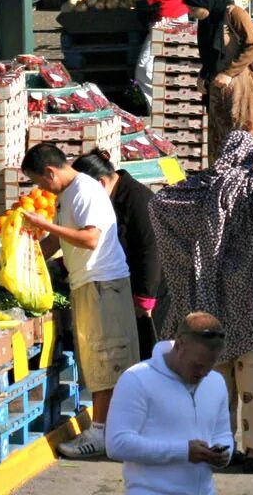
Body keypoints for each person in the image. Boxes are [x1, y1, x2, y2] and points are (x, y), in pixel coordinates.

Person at [149, 133, 253, 475]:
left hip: (210, 301)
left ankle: (221, 447)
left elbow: (158, 204)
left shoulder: (197, 188)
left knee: (215, 379)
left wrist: (191, 260)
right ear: (250, 157)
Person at [19, 143, 135, 461]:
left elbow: (90, 238)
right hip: (88, 284)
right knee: (98, 362)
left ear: (50, 172)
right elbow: (58, 239)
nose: (40, 189)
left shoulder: (84, 190)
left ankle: (100, 434)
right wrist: (26, 263)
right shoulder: (66, 194)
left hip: (102, 284)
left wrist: (42, 225)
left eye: (40, 182)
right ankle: (109, 429)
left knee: (106, 359)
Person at [104, 313, 234, 495]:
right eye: (197, 366)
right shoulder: (136, 379)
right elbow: (117, 444)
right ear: (179, 345)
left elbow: (222, 433)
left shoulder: (216, 382)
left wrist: (222, 455)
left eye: (210, 366)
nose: (204, 374)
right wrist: (184, 451)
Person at [74, 150, 162, 363]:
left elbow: (150, 250)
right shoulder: (113, 198)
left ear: (101, 183)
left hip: (152, 294)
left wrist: (145, 299)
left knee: (150, 355)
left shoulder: (139, 200)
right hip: (127, 290)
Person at [182, 0, 253, 164]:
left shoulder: (234, 14)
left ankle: (243, 187)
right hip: (217, 90)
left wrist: (229, 72)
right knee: (219, 143)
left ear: (206, 1)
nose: (190, 13)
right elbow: (211, 56)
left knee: (242, 138)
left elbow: (252, 47)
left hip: (240, 87)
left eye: (193, 8)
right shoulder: (207, 21)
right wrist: (204, 75)